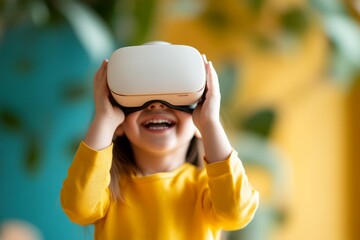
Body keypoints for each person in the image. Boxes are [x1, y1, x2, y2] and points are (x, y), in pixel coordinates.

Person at [60, 53, 259, 240]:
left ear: (198, 125)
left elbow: (236, 211)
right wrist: (105, 119)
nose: (157, 105)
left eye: (174, 97)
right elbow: (78, 207)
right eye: (141, 97)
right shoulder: (109, 192)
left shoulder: (207, 191)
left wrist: (209, 123)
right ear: (119, 125)